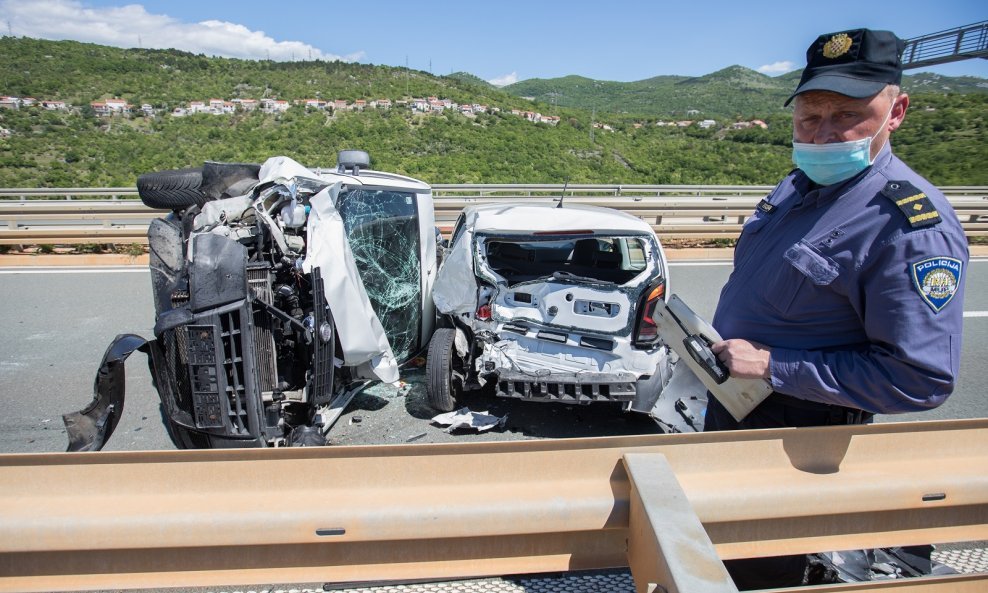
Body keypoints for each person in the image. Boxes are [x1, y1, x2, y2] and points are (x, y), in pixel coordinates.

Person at [704, 28, 969, 588]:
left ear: (896, 112)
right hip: (736, 413)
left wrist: (773, 366)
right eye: (809, 117)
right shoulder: (799, 186)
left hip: (799, 439)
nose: (824, 134)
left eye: (847, 116)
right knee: (719, 558)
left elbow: (919, 377)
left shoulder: (906, 225)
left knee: (766, 572)